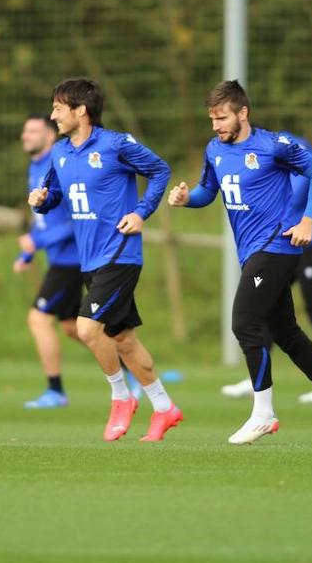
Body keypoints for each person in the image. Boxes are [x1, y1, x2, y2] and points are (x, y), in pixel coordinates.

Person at [169, 80, 312, 445]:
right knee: (285, 331)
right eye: (212, 119)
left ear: (243, 113)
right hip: (252, 251)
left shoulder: (273, 146)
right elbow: (209, 191)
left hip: (277, 246)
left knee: (244, 322)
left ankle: (263, 413)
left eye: (222, 118)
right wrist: (187, 197)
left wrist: (307, 220)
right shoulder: (214, 149)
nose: (216, 126)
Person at [28, 77, 182, 442]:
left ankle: (120, 398)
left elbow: (160, 170)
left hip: (120, 253)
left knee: (86, 329)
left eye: (58, 109)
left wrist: (142, 211)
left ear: (81, 110)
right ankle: (164, 409)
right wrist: (41, 199)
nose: (53, 116)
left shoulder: (116, 145)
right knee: (124, 340)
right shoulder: (61, 152)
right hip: (89, 259)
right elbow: (55, 196)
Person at [219, 135, 312, 405]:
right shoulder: (254, 148)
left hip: (311, 242)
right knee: (275, 318)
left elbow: (311, 181)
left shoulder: (287, 147)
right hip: (280, 242)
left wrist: (295, 218)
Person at [16, 114, 86, 409]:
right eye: (24, 131)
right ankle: (132, 366)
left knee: (39, 318)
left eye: (32, 130)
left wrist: (38, 243)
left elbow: (78, 216)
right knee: (75, 328)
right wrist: (28, 253)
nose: (25, 135)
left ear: (49, 135)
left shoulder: (59, 165)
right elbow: (44, 221)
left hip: (72, 260)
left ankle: (55, 391)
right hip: (61, 259)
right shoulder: (35, 168)